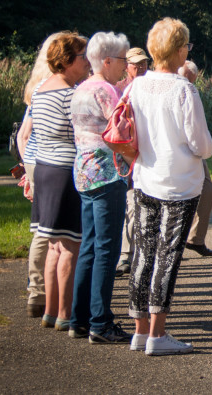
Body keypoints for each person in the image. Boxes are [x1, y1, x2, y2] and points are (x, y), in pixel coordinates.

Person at [127, 18, 212, 356]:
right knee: (167, 255)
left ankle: (140, 330)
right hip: (179, 183)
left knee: (143, 252)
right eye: (187, 47)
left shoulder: (137, 86)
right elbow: (201, 144)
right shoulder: (183, 89)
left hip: (145, 177)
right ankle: (158, 334)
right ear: (179, 50)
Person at [68, 32, 132, 343]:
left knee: (90, 247)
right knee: (107, 250)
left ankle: (78, 318)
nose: (125, 66)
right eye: (122, 60)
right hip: (107, 175)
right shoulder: (107, 91)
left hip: (83, 173)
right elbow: (120, 133)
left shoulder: (80, 89)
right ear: (106, 61)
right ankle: (100, 321)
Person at [30, 32, 91, 331]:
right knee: (69, 246)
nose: (87, 61)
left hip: (44, 168)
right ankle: (66, 312)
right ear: (67, 61)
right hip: (65, 171)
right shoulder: (70, 94)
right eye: (83, 56)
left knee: (54, 245)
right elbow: (84, 132)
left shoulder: (41, 89)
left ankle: (51, 311)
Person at [16, 32, 68, 317]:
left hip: (37, 161)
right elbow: (25, 134)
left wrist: (29, 168)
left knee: (42, 228)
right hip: (50, 162)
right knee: (51, 230)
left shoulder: (37, 88)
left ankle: (38, 291)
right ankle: (40, 292)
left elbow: (23, 136)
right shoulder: (56, 89)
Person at [117, 47, 150, 276]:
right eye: (135, 64)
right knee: (127, 205)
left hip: (144, 154)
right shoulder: (118, 89)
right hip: (122, 155)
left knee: (136, 206)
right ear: (126, 65)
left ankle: (130, 255)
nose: (140, 68)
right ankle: (123, 255)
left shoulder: (151, 89)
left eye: (143, 63)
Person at [178, 60, 212, 258]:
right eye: (188, 79)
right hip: (176, 152)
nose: (190, 83)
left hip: (195, 150)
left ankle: (195, 239)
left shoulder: (191, 91)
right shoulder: (175, 89)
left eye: (193, 81)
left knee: (207, 190)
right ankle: (174, 243)